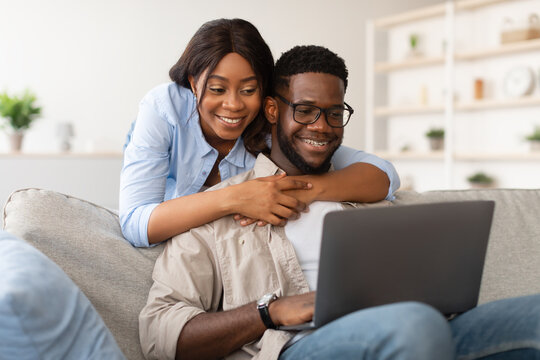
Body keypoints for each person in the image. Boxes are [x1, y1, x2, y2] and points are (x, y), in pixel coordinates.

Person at [139, 45, 540, 360]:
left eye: (334, 114)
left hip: (421, 328)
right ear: (274, 110)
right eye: (306, 111)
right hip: (300, 346)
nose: (322, 127)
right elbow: (160, 333)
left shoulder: (361, 194)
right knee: (413, 325)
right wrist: (270, 311)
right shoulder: (221, 209)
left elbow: (385, 175)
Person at [119, 18, 400, 247]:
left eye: (248, 90)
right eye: (217, 89)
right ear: (193, 82)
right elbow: (134, 222)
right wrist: (235, 197)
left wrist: (303, 192)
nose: (233, 105)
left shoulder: (271, 126)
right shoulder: (164, 108)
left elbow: (384, 174)